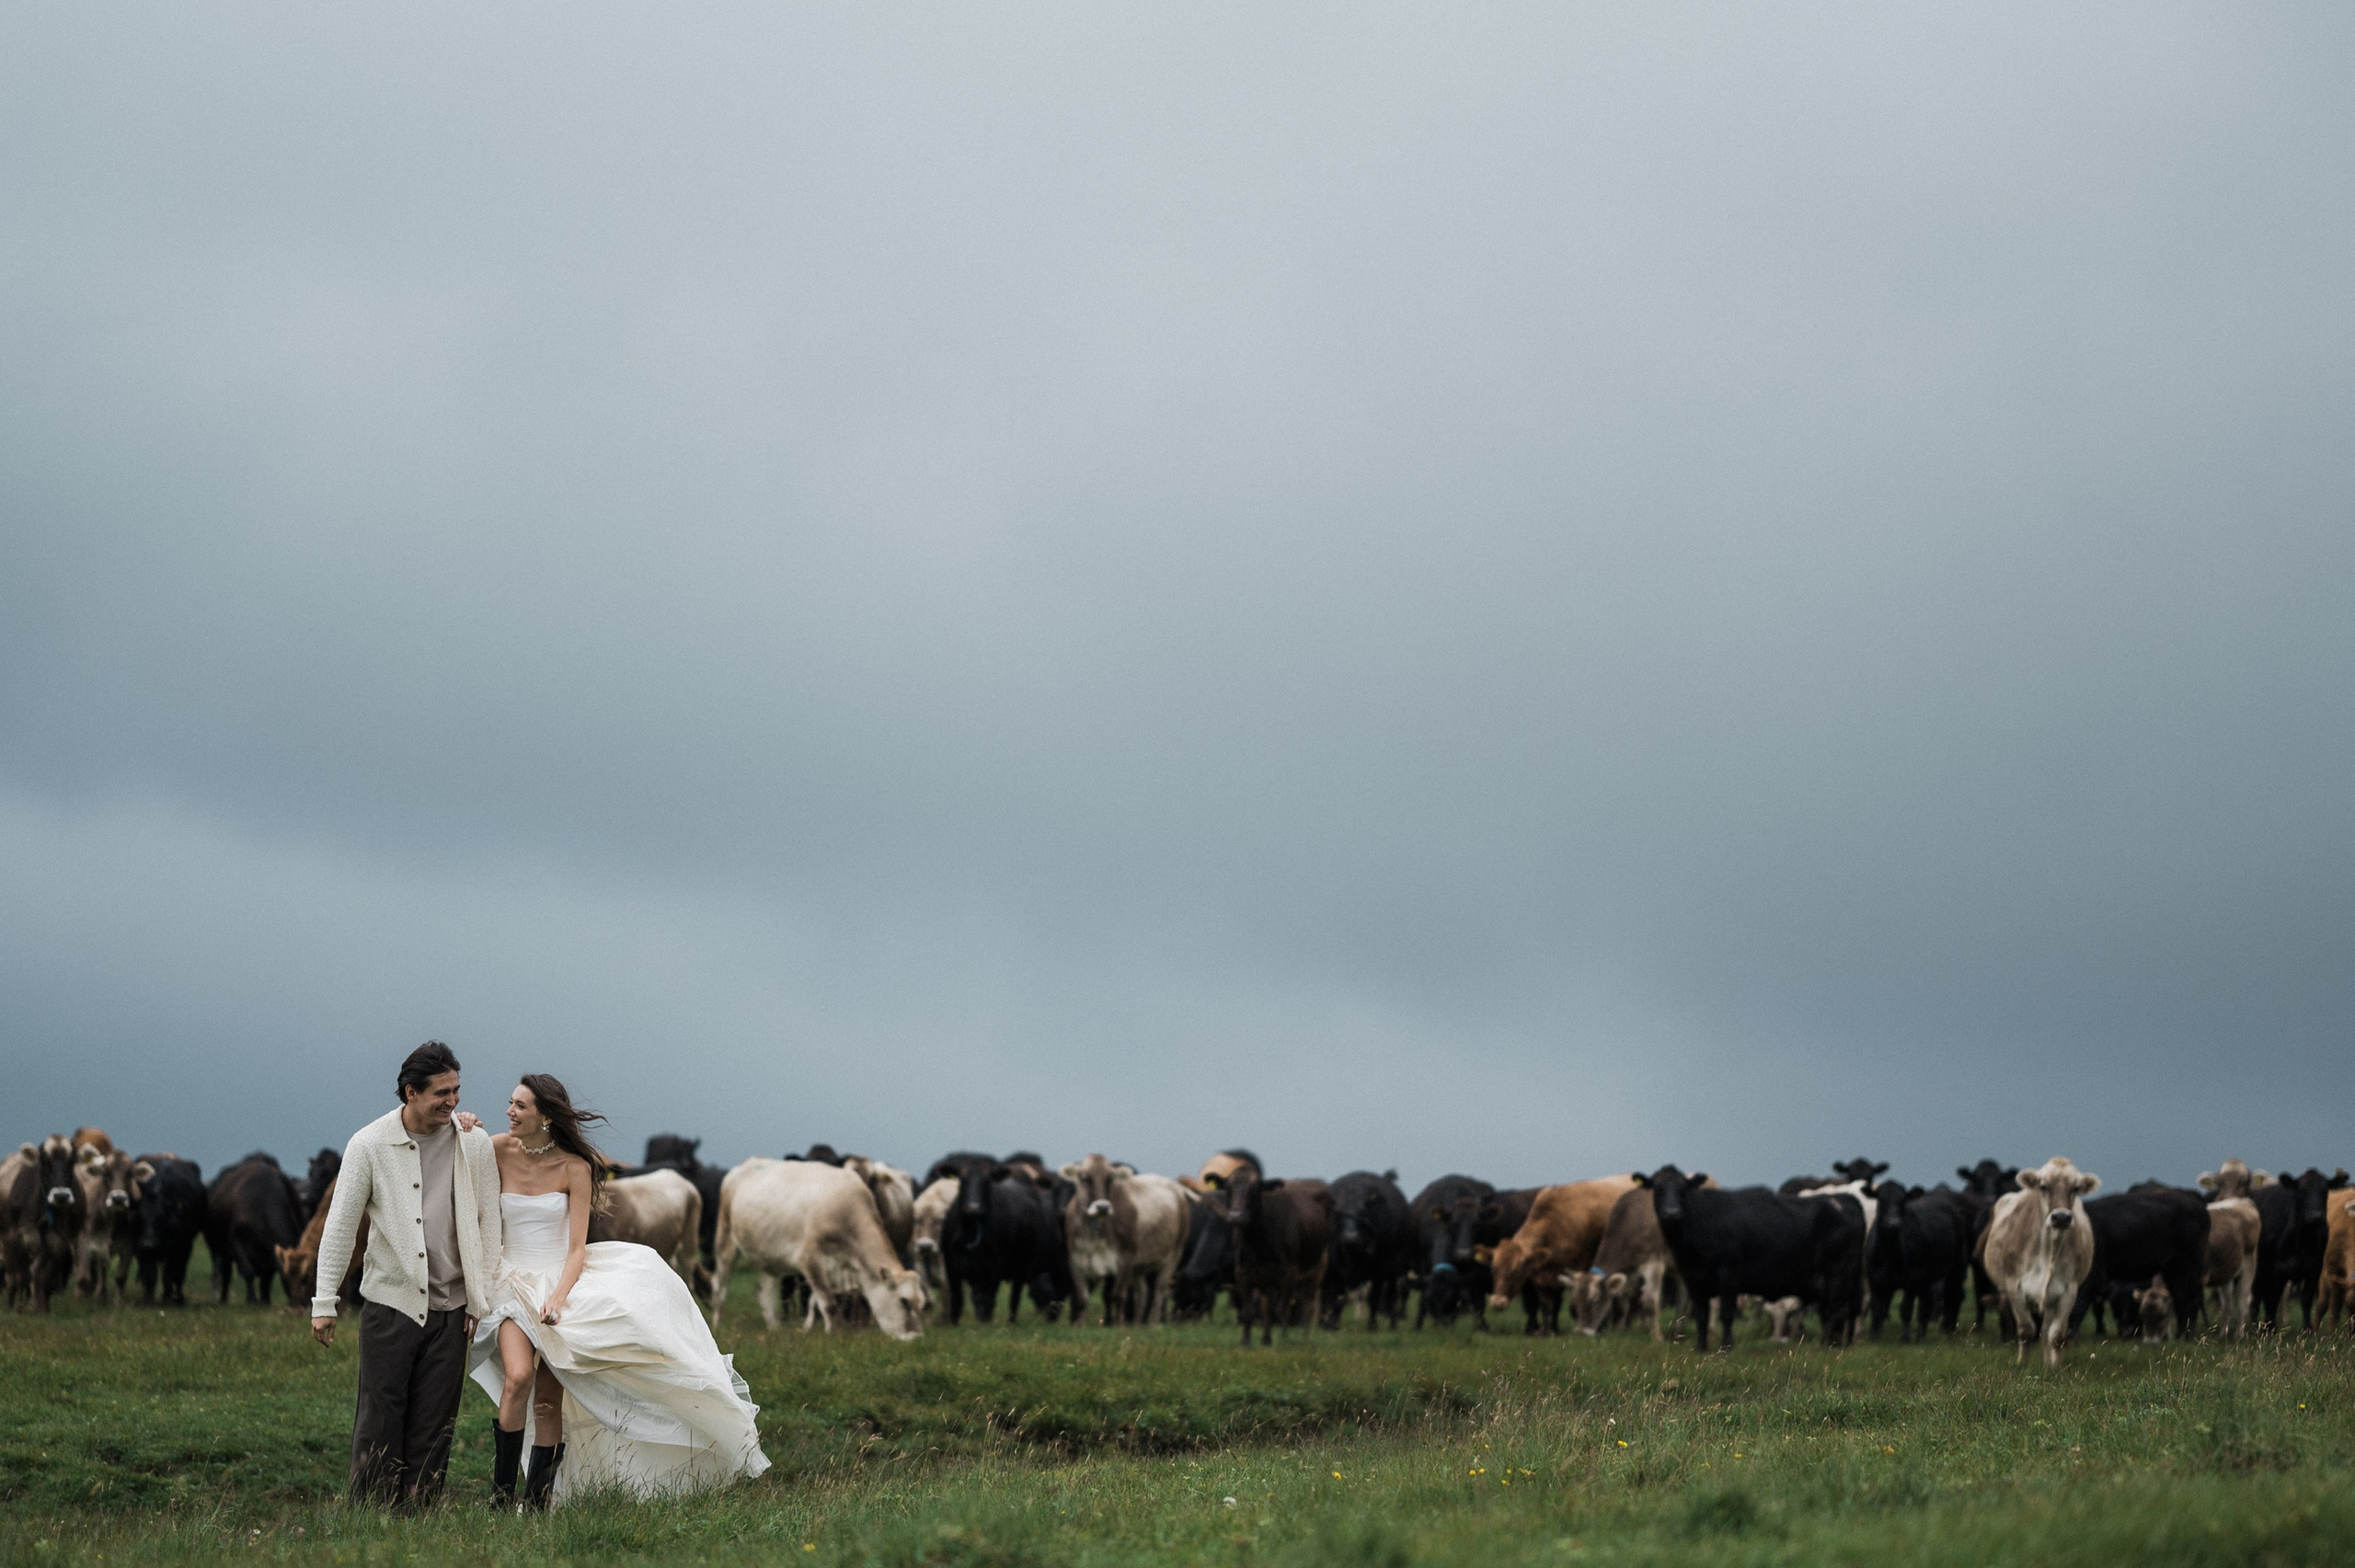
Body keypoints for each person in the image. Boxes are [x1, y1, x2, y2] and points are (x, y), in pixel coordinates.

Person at [459, 1074, 768, 1508]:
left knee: (548, 1400)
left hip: (558, 1281)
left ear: (545, 1117)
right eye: (510, 1103)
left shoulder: (575, 1168)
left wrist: (559, 1298)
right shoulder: (494, 1148)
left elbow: (576, 1248)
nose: (509, 1111)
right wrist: (464, 1122)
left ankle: (537, 1502)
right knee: (518, 1377)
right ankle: (501, 1496)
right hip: (510, 1280)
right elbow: (457, 1150)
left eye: (520, 1106)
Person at [309, 1040, 503, 1508]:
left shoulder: (473, 1143)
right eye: (441, 1092)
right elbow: (340, 1225)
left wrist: (481, 1298)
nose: (452, 1101)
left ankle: (420, 1512)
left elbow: (488, 1221)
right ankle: (372, 1513)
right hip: (390, 1305)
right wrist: (324, 1302)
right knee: (381, 1414)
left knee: (436, 1421)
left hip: (454, 1309)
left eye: (457, 1090)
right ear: (410, 1092)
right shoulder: (369, 1144)